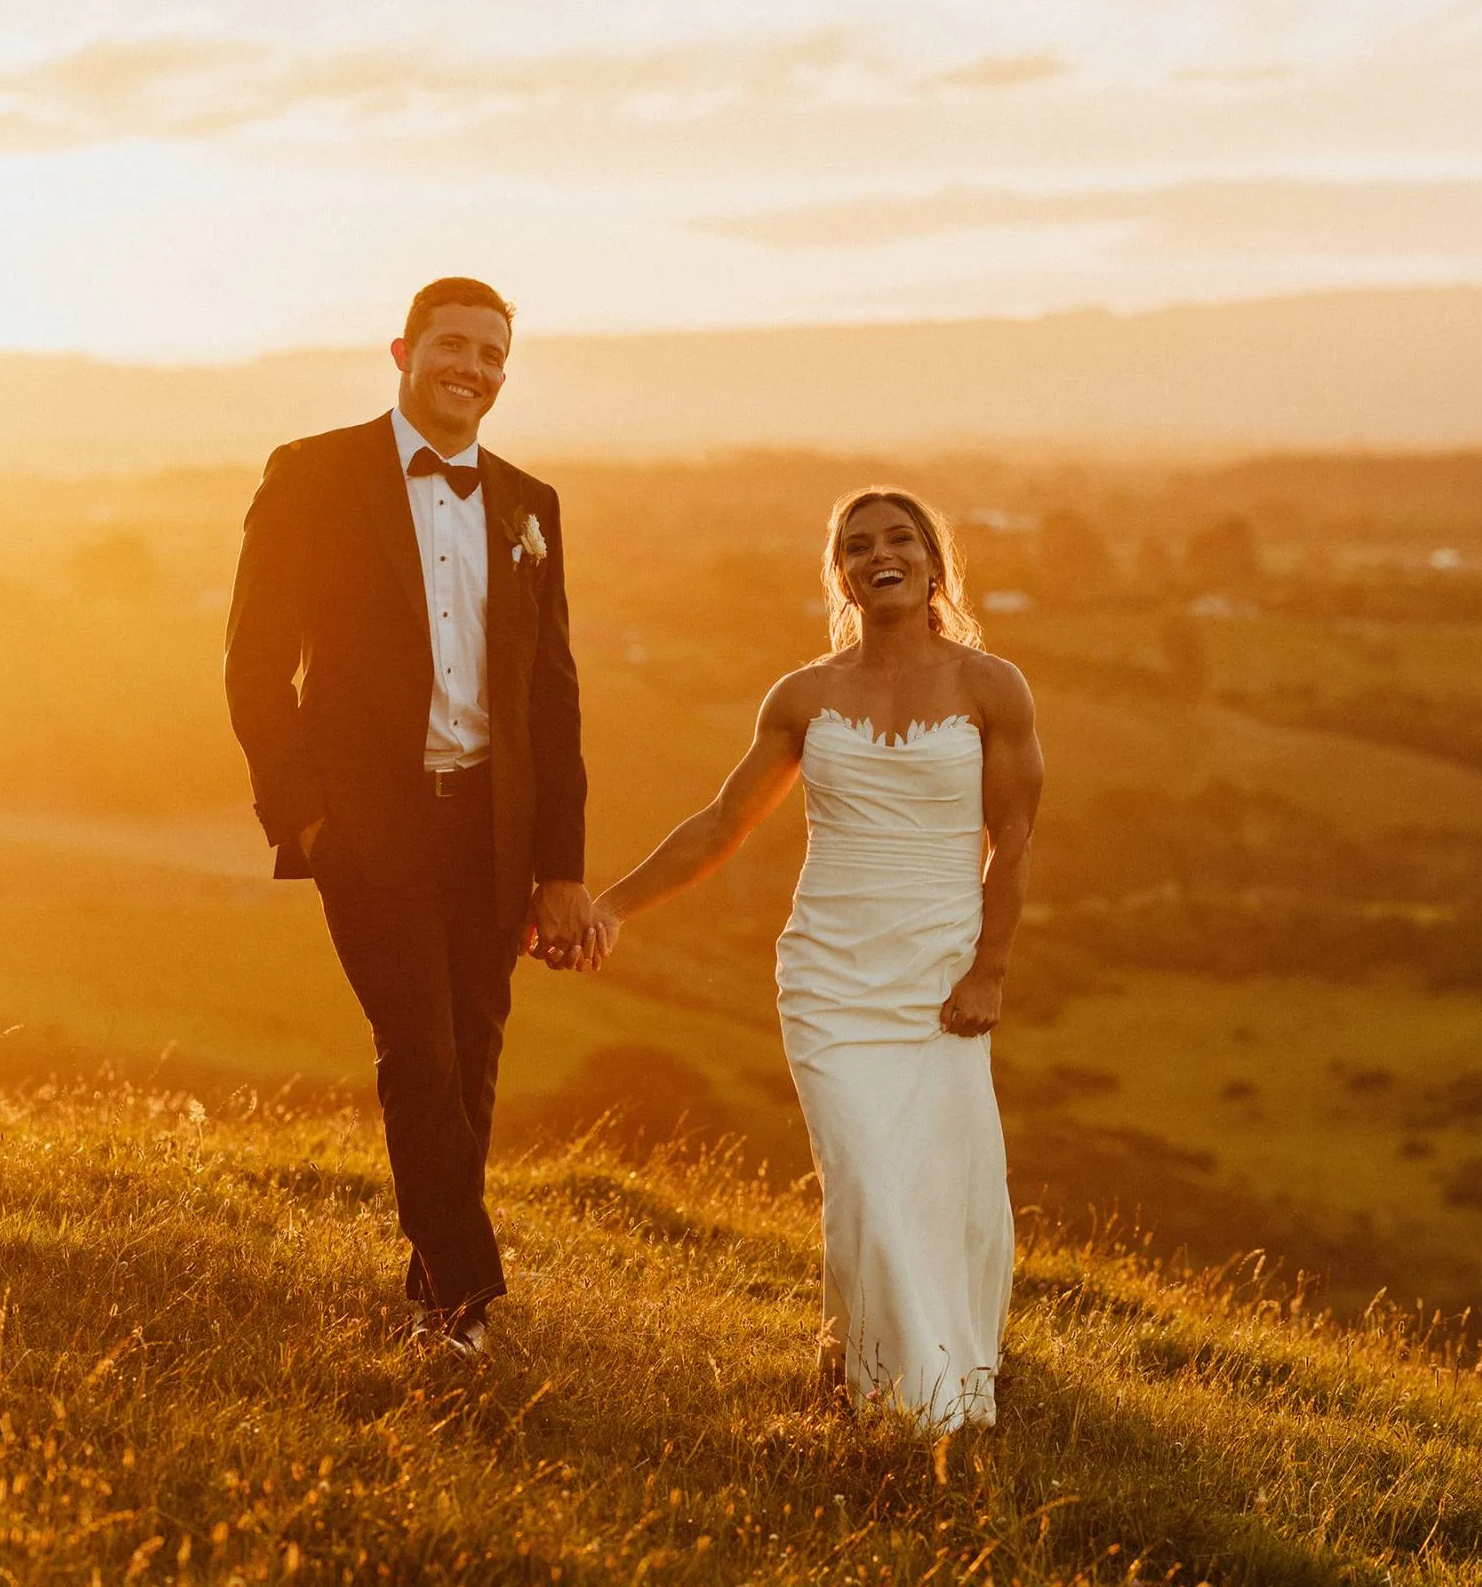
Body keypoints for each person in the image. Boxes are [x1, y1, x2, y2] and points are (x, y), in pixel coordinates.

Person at [588, 486, 1044, 1427]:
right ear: (839, 572)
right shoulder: (802, 697)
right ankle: (903, 1398)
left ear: (933, 562)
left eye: (900, 539)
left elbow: (1015, 839)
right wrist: (612, 906)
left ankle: (876, 1365)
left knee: (942, 1177)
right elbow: (721, 825)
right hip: (829, 975)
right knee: (866, 1173)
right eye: (857, 544)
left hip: (939, 973)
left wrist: (989, 969)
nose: (880, 554)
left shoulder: (992, 687)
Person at [224, 277, 597, 1361]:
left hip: (493, 830)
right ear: (403, 350)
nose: (470, 368)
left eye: (491, 354)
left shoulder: (533, 505)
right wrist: (307, 819)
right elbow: (256, 665)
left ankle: (437, 1309)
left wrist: (560, 863)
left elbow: (551, 693)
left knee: (472, 1060)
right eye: (452, 345)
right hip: (367, 826)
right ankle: (473, 1287)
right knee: (421, 1049)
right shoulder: (313, 473)